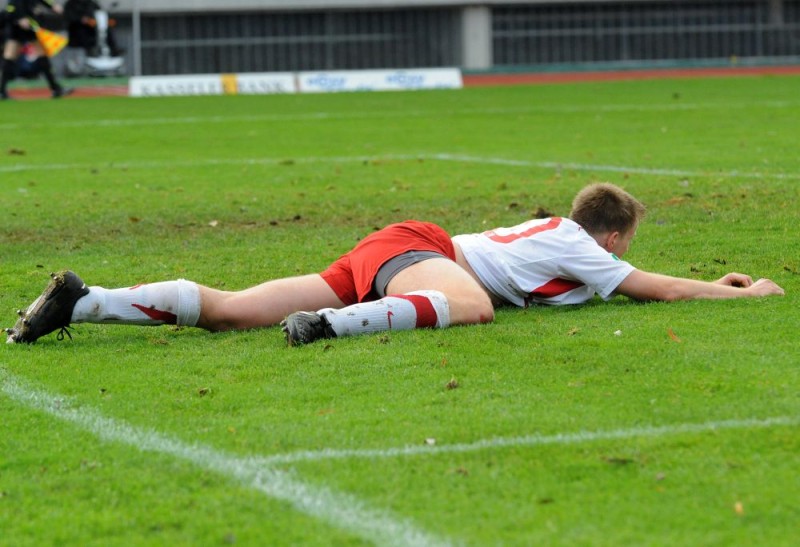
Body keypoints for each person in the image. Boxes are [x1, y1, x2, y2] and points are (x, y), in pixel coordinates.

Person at [5, 183, 785, 345]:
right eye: (625, 249)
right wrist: (745, 298)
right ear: (610, 238)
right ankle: (331, 327)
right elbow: (662, 290)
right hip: (420, 251)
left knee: (233, 309)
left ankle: (87, 300)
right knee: (473, 306)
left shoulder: (562, 240)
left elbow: (657, 285)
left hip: (393, 256)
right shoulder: (585, 250)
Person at [1, 0, 72, 100]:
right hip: (20, 25)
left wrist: (52, 6)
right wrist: (20, 17)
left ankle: (55, 88)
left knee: (39, 55)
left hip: (28, 24)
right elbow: (15, 3)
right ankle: (2, 90)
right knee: (10, 56)